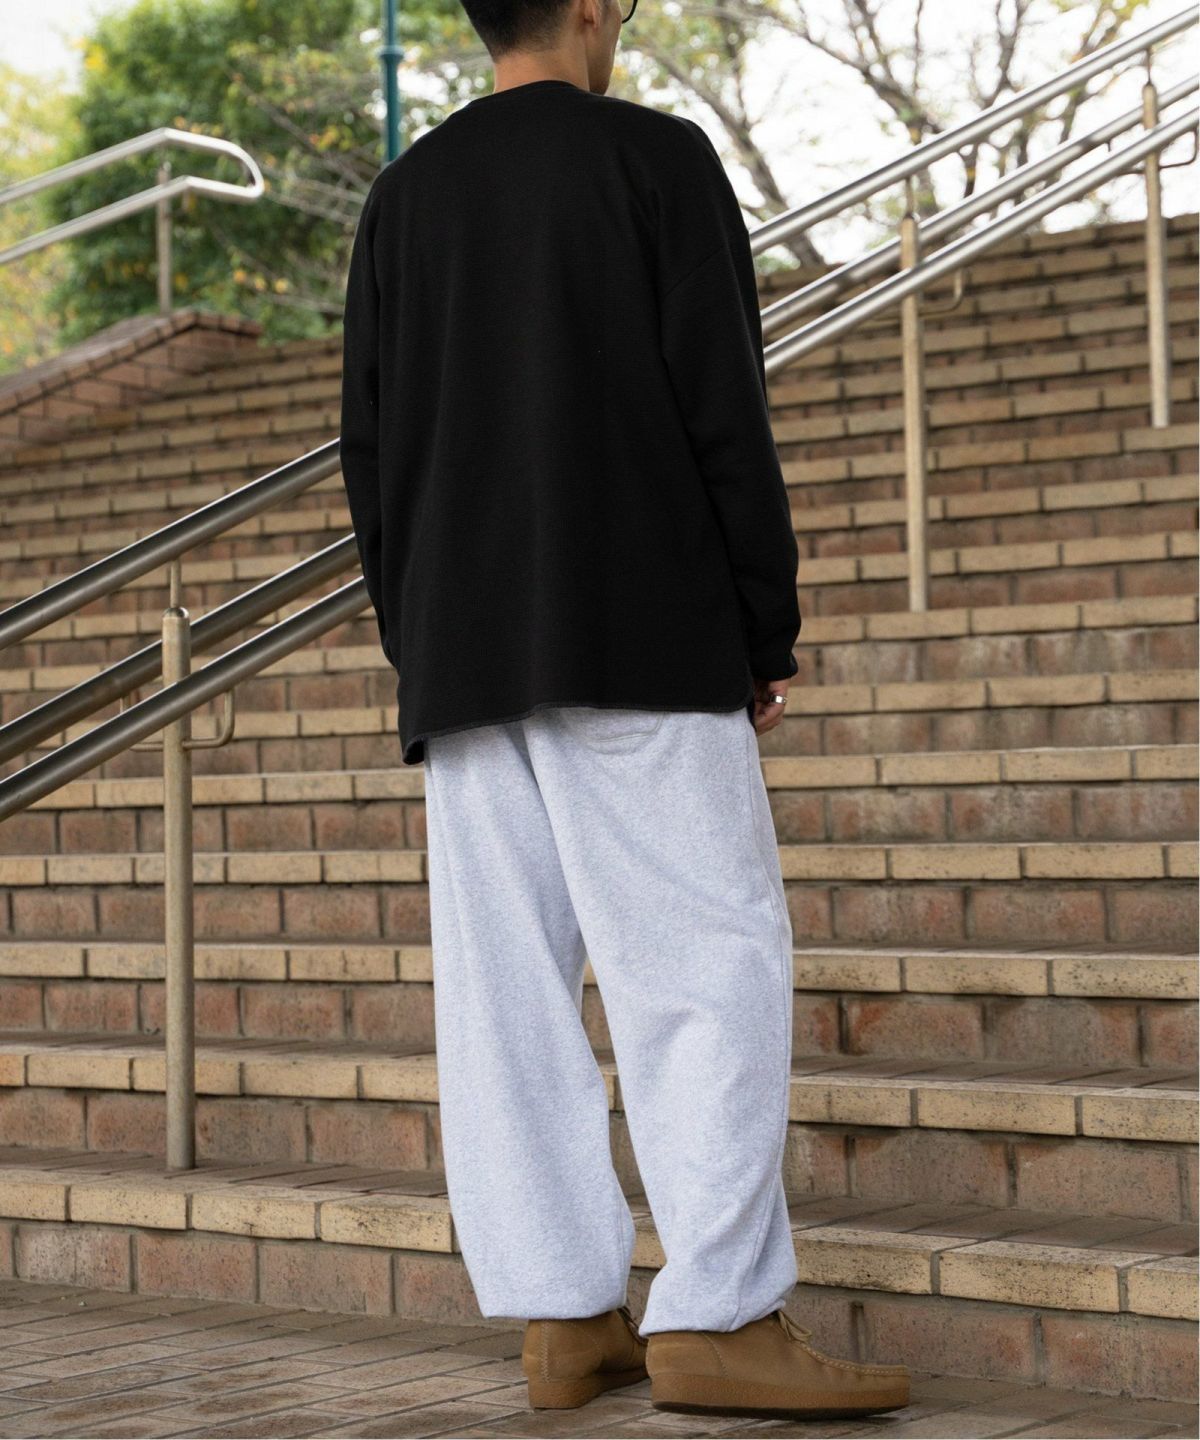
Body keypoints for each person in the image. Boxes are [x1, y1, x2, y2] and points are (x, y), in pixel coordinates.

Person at [339, 0, 910, 1421]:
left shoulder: (404, 200)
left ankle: (564, 1315)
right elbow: (723, 406)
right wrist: (762, 622)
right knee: (706, 967)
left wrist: (425, 642)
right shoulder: (656, 159)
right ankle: (719, 1317)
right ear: (591, 6)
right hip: (639, 628)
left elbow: (371, 450)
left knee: (504, 1003)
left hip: (466, 659)